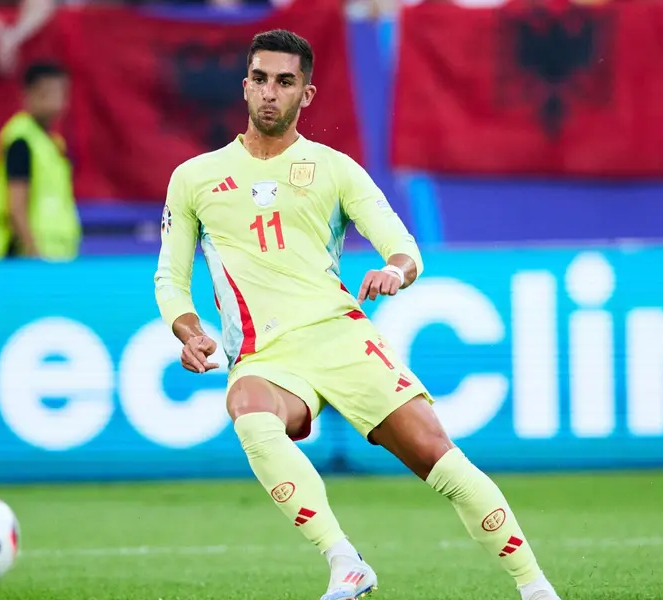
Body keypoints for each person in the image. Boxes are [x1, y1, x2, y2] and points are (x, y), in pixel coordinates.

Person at [153, 29, 562, 600]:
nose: (271, 93)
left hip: (341, 339)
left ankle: (535, 586)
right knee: (248, 409)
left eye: (285, 82)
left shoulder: (334, 168)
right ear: (245, 86)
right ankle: (344, 560)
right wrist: (189, 330)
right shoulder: (194, 177)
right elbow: (170, 279)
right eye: (261, 79)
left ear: (307, 94)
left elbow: (402, 245)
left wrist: (395, 270)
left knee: (439, 460)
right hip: (265, 356)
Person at [0, 61, 81, 261]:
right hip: (24, 259)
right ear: (28, 95)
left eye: (61, 94)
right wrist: (32, 252)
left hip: (57, 256)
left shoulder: (54, 143)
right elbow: (16, 206)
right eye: (47, 94)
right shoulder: (21, 141)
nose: (56, 102)